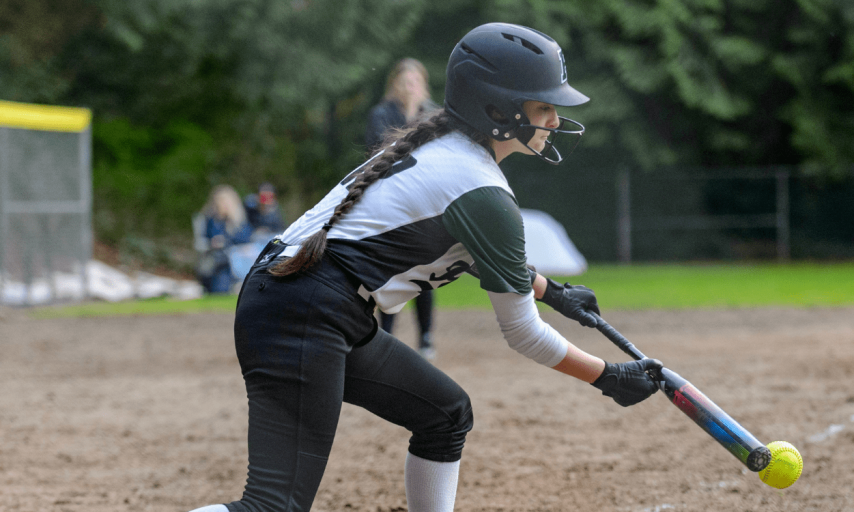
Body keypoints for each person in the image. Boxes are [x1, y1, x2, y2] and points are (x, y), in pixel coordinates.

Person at [187, 23, 662, 512]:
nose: (556, 121)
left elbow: (474, 252)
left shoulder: (445, 150)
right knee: (271, 507)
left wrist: (553, 292)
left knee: (445, 414)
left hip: (304, 302)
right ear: (498, 109)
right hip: (306, 311)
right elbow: (523, 333)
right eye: (544, 106)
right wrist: (606, 375)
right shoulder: (482, 191)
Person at [366, 57, 440, 358]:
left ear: (423, 85)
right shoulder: (381, 114)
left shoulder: (434, 113)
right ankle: (386, 337)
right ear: (395, 84)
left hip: (425, 200)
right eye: (405, 82)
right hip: (392, 199)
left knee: (426, 269)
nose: (410, 87)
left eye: (415, 82)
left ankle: (425, 337)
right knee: (392, 269)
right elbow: (380, 151)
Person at [196, 185, 253, 294]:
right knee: (220, 287)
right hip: (218, 259)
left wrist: (229, 227)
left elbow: (245, 239)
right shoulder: (212, 220)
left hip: (237, 259)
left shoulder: (239, 221)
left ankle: (239, 284)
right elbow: (207, 237)